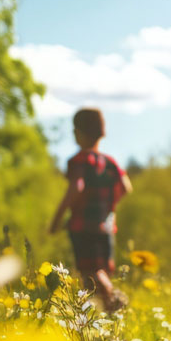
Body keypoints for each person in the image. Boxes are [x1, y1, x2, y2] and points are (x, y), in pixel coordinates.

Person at [50, 107, 131, 312]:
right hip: (106, 227)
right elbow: (126, 187)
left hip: (83, 227)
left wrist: (57, 218)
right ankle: (106, 315)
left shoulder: (79, 161)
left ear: (79, 133)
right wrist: (107, 205)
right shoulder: (110, 162)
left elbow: (77, 187)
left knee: (90, 273)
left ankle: (114, 302)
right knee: (99, 272)